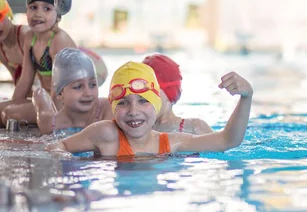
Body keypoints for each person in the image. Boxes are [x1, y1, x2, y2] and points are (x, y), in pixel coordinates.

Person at [47, 61, 253, 157]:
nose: (133, 111)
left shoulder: (171, 141)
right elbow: (58, 146)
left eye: (143, 101)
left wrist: (246, 97)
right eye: (123, 102)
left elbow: (228, 141)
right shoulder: (105, 134)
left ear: (157, 105)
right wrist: (66, 163)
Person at [1, 0, 77, 125]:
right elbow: (25, 80)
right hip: (47, 101)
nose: (38, 14)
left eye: (47, 8)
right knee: (5, 111)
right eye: (33, 7)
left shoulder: (58, 40)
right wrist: (14, 103)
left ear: (58, 15)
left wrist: (53, 120)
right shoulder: (30, 38)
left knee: (9, 115)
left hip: (66, 106)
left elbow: (60, 88)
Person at [33, 48, 112, 135]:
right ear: (59, 93)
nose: (88, 93)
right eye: (78, 87)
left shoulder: (106, 109)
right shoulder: (50, 125)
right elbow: (41, 103)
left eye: (92, 85)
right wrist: (39, 97)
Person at [142, 54, 212, 134]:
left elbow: (223, 142)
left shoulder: (194, 127)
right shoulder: (135, 129)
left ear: (170, 94)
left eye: (150, 93)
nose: (144, 98)